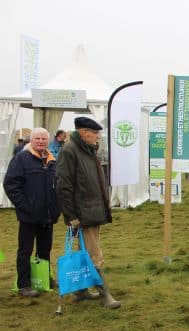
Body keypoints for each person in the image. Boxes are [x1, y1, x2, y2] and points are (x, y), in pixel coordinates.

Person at [56, 117, 121, 309]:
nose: (98, 137)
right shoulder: (69, 151)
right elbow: (63, 186)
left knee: (83, 252)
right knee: (94, 254)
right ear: (84, 133)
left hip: (92, 211)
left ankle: (81, 291)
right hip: (82, 214)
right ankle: (106, 295)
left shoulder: (88, 150)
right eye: (95, 133)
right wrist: (71, 216)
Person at [3, 128, 60, 297]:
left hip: (47, 216)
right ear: (31, 139)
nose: (41, 141)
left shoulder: (51, 160)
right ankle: (24, 285)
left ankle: (44, 278)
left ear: (48, 141)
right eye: (38, 138)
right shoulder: (21, 158)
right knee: (25, 251)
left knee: (45, 250)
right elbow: (11, 185)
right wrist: (24, 206)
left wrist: (56, 208)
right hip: (28, 216)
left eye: (44, 138)